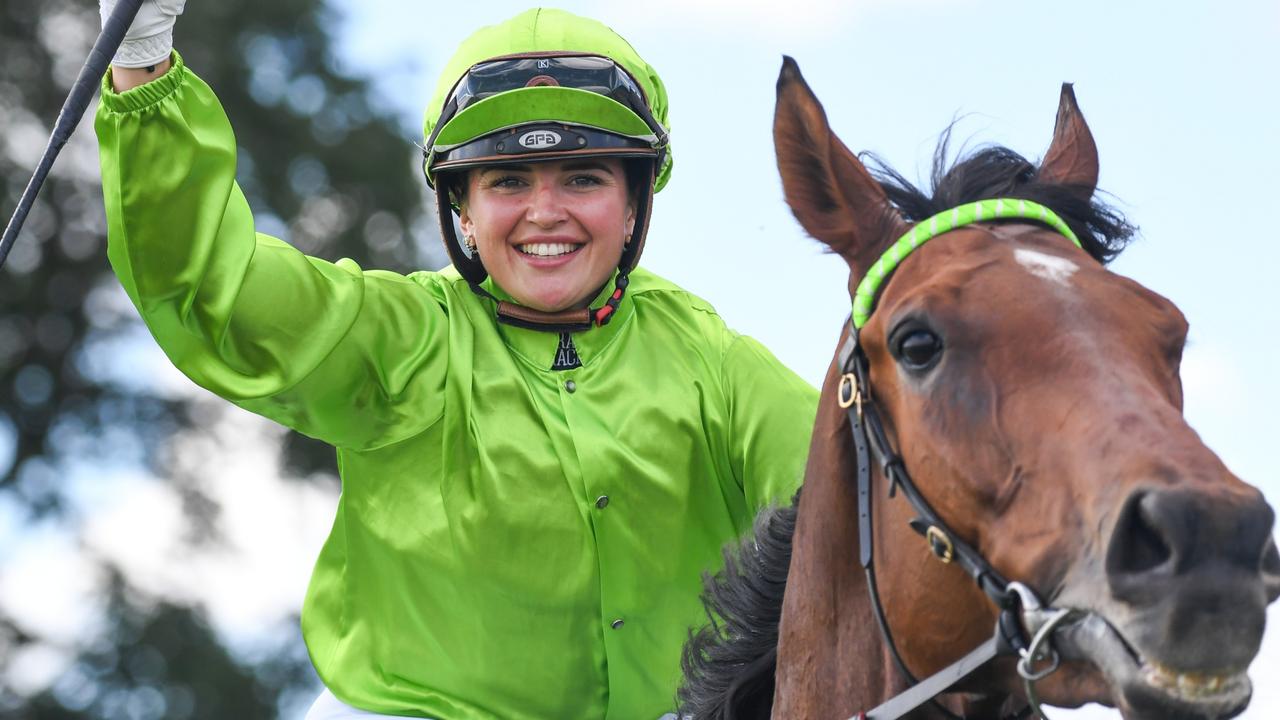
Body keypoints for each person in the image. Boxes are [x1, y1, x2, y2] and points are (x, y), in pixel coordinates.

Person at [95, 3, 818, 718]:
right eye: (508, 180)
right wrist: (140, 55)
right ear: (462, 211)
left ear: (634, 204)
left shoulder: (712, 360)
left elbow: (855, 488)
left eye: (583, 177)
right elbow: (214, 289)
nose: (545, 211)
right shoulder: (400, 338)